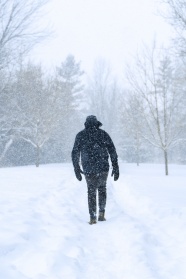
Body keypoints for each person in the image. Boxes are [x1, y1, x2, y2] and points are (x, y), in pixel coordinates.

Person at [71, 115, 119, 225]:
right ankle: (101, 214)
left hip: (89, 169)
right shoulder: (103, 134)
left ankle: (93, 217)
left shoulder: (81, 135)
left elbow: (75, 153)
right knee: (102, 189)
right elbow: (112, 150)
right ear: (97, 123)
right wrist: (115, 166)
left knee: (91, 191)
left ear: (86, 123)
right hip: (103, 168)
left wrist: (76, 168)